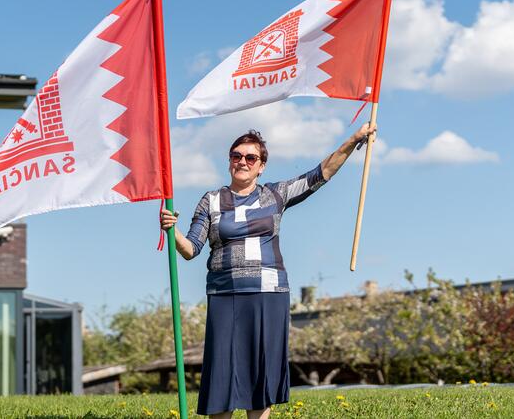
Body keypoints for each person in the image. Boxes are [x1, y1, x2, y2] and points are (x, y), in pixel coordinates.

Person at [160, 122, 376, 419]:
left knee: (260, 376)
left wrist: (354, 139)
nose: (242, 162)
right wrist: (172, 232)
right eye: (236, 156)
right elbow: (190, 250)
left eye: (250, 158)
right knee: (222, 372)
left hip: (268, 294)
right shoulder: (211, 200)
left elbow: (320, 174)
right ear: (229, 161)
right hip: (225, 294)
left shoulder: (275, 195)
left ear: (261, 166)